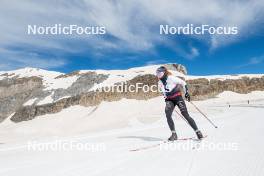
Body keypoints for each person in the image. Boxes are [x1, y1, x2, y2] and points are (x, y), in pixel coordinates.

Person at [156, 66, 203, 141]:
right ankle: (174, 134)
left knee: (185, 114)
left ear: (164, 73)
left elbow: (183, 83)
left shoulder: (171, 78)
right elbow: (163, 91)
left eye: (159, 73)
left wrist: (186, 93)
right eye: (157, 73)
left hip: (178, 98)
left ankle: (197, 131)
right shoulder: (159, 82)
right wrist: (165, 98)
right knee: (168, 114)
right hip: (169, 100)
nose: (158, 75)